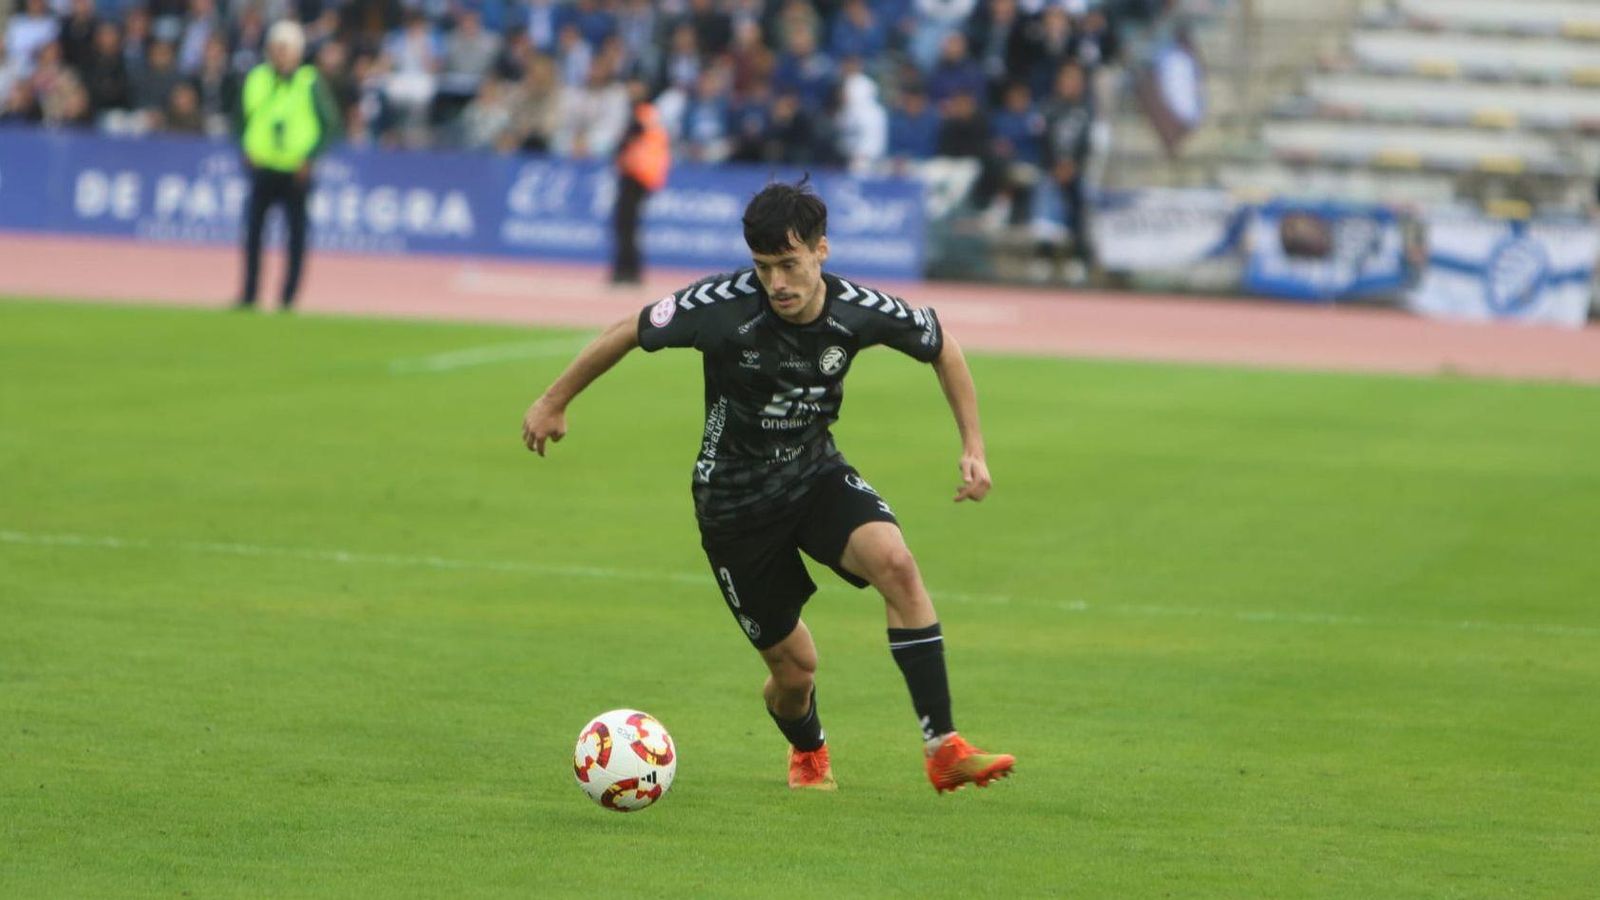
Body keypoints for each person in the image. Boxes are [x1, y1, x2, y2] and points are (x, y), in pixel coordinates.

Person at [522, 180, 1015, 794]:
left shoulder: (859, 308)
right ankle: (808, 749)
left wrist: (973, 445)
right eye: (763, 267)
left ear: (821, 251)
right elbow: (631, 328)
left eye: (789, 264)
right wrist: (553, 401)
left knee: (898, 565)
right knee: (795, 672)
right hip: (734, 506)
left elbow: (943, 346)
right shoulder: (722, 305)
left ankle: (943, 747)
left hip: (813, 475)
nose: (776, 282)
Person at [233, 20, 340, 311]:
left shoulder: (310, 81)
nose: (280, 54)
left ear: (297, 51)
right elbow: (240, 118)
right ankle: (249, 295)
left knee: (296, 237)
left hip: (296, 170)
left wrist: (311, 157)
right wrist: (244, 147)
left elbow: (330, 124)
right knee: (253, 234)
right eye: (276, 48)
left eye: (286, 48)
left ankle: (287, 299)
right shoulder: (256, 77)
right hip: (263, 167)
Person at [609, 75, 668, 285]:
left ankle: (625, 271)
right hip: (642, 175)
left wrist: (620, 148)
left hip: (636, 174)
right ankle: (628, 270)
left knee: (625, 224)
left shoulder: (641, 113)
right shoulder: (649, 114)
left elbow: (632, 136)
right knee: (628, 225)